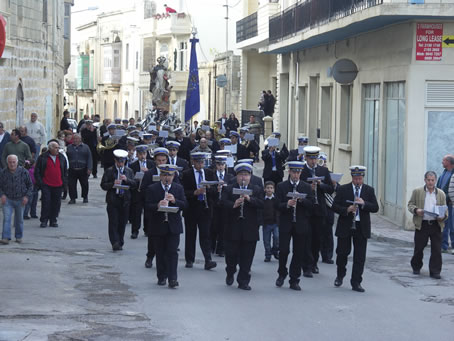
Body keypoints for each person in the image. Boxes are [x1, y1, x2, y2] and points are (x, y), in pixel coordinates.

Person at [332, 166, 379, 292]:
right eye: (356, 179)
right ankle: (340, 275)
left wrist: (364, 204)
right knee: (342, 253)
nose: (358, 181)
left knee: (360, 256)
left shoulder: (369, 190)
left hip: (361, 226)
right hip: (346, 225)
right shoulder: (343, 189)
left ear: (363, 178)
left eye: (360, 179)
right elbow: (334, 206)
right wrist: (346, 210)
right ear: (352, 178)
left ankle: (356, 282)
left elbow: (375, 207)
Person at [221, 162, 264, 290]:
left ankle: (243, 280)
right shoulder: (229, 188)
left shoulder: (256, 189)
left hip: (250, 229)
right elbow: (222, 203)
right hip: (233, 228)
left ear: (250, 176)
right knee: (231, 255)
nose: (243, 178)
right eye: (241, 175)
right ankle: (230, 271)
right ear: (236, 176)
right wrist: (233, 204)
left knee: (247, 256)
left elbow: (262, 203)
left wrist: (250, 200)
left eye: (246, 175)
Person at [145, 164, 187, 288]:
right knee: (160, 252)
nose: (167, 178)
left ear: (173, 176)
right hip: (158, 226)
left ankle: (173, 278)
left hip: (173, 226)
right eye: (164, 175)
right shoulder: (152, 188)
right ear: (160, 176)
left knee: (172, 252)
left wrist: (175, 201)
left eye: (170, 175)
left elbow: (185, 205)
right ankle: (161, 276)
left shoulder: (178, 188)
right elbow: (147, 206)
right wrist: (157, 205)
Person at [275, 161, 314, 290]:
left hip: (301, 224)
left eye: (298, 172)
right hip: (286, 223)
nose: (296, 175)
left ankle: (294, 279)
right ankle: (282, 273)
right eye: (294, 172)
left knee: (299, 252)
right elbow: (277, 205)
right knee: (284, 251)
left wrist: (302, 200)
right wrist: (287, 204)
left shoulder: (306, 187)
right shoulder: (281, 186)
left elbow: (312, 205)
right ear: (289, 172)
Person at [300, 146, 334, 277]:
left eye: (315, 158)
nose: (313, 161)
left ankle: (314, 263)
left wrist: (321, 185)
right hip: (306, 210)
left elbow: (331, 189)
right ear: (306, 158)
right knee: (306, 238)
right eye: (310, 158)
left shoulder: (323, 171)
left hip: (320, 210)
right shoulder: (301, 171)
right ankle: (306, 266)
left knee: (317, 239)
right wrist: (309, 187)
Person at [408, 171, 448, 279]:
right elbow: (410, 204)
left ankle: (435, 271)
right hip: (422, 224)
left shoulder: (441, 193)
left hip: (436, 224)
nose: (430, 182)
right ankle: (416, 267)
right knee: (419, 248)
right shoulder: (417, 191)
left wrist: (442, 217)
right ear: (425, 180)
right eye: (428, 180)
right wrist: (416, 210)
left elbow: (445, 210)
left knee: (436, 249)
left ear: (435, 180)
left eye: (432, 180)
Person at [181, 152, 217, 270]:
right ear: (193, 162)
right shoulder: (186, 174)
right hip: (191, 208)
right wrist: (194, 193)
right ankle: (189, 259)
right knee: (190, 234)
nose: (200, 165)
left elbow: (216, 191)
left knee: (205, 235)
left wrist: (209, 189)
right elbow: (182, 192)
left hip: (205, 208)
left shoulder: (209, 173)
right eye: (198, 162)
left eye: (202, 162)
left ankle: (208, 259)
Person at [100, 149, 137, 251]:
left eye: (122, 161)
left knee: (122, 222)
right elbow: (103, 185)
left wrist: (127, 180)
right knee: (113, 222)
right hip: (113, 200)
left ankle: (120, 240)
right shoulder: (110, 170)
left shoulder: (129, 171)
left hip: (125, 200)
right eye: (119, 161)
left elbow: (134, 184)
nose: (121, 164)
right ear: (115, 161)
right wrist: (112, 184)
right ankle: (114, 242)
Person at [0, 155, 33, 244]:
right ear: (7, 163)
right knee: (6, 218)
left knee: (19, 220)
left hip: (20, 199)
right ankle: (5, 238)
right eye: (10, 162)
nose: (12, 164)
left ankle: (18, 236)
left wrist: (26, 196)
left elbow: (30, 186)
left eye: (14, 162)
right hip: (7, 199)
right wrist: (2, 195)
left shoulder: (24, 172)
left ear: (17, 162)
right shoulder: (3, 173)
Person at [35, 141, 68, 228]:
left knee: (56, 203)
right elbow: (37, 171)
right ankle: (44, 220)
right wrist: (40, 183)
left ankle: (53, 220)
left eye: (58, 148)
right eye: (56, 147)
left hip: (58, 184)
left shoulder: (61, 157)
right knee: (46, 203)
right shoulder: (43, 157)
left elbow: (65, 170)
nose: (58, 149)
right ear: (50, 148)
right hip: (46, 184)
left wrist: (64, 181)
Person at [129, 145, 155, 239]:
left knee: (148, 211)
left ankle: (147, 230)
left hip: (148, 191)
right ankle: (135, 231)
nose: (142, 156)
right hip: (138, 191)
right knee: (137, 212)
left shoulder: (151, 164)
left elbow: (155, 177)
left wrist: (148, 172)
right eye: (140, 154)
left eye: (144, 154)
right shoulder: (133, 165)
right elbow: (131, 178)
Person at [211, 155, 234, 257]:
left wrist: (225, 188)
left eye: (222, 164)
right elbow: (208, 190)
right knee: (213, 226)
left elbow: (232, 191)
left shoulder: (230, 177)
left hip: (225, 205)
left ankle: (221, 248)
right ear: (216, 165)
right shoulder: (211, 176)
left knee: (223, 227)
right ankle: (212, 246)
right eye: (219, 164)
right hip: (214, 204)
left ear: (225, 165)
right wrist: (216, 189)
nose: (220, 167)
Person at [66, 133, 92, 204]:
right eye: (74, 138)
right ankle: (73, 198)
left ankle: (85, 197)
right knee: (71, 185)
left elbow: (89, 158)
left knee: (84, 184)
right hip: (72, 169)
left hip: (83, 169)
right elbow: (66, 158)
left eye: (77, 138)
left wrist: (89, 168)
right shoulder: (69, 147)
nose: (76, 140)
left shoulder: (86, 147)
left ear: (80, 139)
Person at [436, 155, 454, 254]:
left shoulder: (453, 173)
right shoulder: (444, 172)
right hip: (443, 204)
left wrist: (445, 198)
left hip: (450, 203)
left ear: (449, 162)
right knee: (443, 225)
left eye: (444, 160)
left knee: (452, 225)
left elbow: (450, 189)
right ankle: (444, 246)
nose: (442, 161)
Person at [262, 181, 280, 262]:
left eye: (271, 188)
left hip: (275, 223)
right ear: (265, 189)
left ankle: (275, 250)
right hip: (266, 223)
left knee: (277, 237)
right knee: (266, 240)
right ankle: (268, 255)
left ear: (274, 190)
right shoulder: (263, 199)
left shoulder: (276, 199)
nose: (269, 189)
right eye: (268, 188)